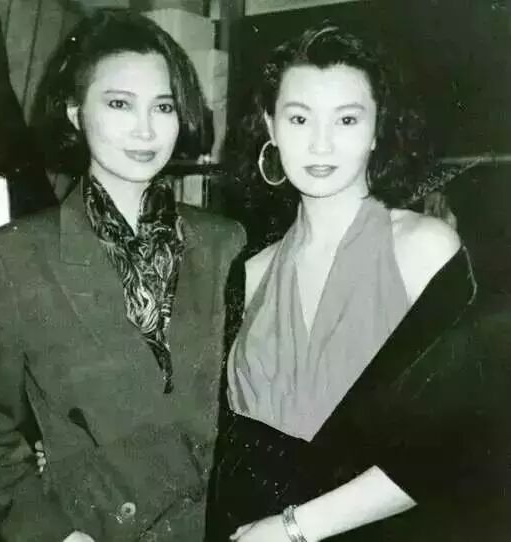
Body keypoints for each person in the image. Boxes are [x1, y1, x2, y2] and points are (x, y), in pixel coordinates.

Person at [0, 9, 245, 542]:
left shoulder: (226, 243)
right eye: (119, 104)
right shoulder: (14, 257)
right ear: (75, 113)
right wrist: (55, 534)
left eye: (163, 106)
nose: (146, 129)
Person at [205, 25, 484, 541]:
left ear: (377, 130)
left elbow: (459, 442)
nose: (320, 143)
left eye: (347, 119)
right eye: (299, 118)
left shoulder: (423, 249)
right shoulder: (251, 271)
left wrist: (293, 529)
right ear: (270, 126)